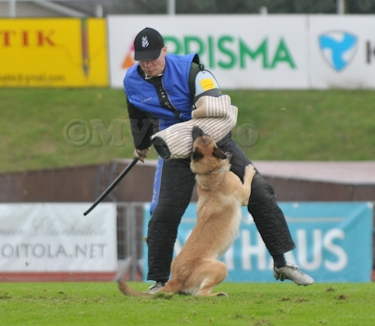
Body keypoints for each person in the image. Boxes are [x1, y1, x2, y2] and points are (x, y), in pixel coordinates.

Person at [124, 27, 314, 292]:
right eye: (142, 59)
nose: (147, 64)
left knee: (260, 191)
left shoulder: (193, 71)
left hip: (212, 142)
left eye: (153, 58)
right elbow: (137, 114)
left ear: (165, 50)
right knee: (164, 211)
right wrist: (141, 145)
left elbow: (214, 103)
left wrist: (194, 115)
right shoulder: (131, 81)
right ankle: (159, 281)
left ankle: (282, 262)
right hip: (175, 147)